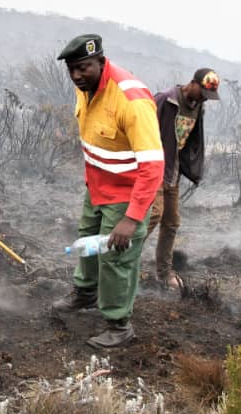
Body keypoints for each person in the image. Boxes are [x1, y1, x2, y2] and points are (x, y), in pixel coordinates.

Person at [51, 34, 164, 349]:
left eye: (83, 67)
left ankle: (118, 324)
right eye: (71, 69)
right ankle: (85, 292)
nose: (76, 75)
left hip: (126, 193)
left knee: (116, 257)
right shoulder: (84, 89)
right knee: (87, 243)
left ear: (101, 62)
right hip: (97, 187)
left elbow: (153, 167)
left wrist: (132, 218)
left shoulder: (131, 99)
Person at [146, 68, 219, 289]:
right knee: (152, 216)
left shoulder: (199, 108)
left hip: (173, 172)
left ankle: (164, 272)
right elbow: (143, 131)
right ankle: (123, 264)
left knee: (171, 221)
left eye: (208, 97)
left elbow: (191, 141)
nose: (203, 99)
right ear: (193, 83)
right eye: (202, 93)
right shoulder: (165, 100)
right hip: (153, 169)